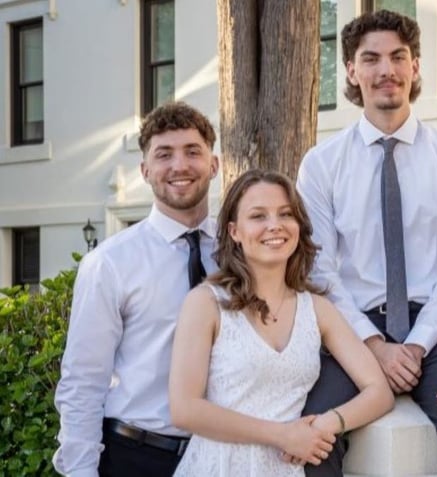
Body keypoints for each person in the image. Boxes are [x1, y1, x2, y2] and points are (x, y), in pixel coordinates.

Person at [296, 10, 437, 477]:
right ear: (351, 70)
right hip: (352, 330)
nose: (385, 70)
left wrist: (414, 346)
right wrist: (373, 345)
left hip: (434, 330)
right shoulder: (321, 165)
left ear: (415, 67)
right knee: (314, 434)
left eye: (398, 57)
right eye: (370, 59)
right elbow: (320, 272)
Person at [168, 169, 393, 476]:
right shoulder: (205, 303)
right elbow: (184, 409)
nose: (274, 225)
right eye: (258, 216)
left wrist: (327, 423)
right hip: (217, 467)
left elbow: (379, 391)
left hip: (285, 469)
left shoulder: (317, 308)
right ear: (234, 231)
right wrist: (281, 435)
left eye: (286, 214)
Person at [53, 102, 220, 476]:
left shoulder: (240, 249)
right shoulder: (110, 263)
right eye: (164, 155)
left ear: (214, 164)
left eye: (193, 151)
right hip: (139, 455)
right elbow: (84, 380)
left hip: (225, 456)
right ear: (145, 171)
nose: (179, 165)